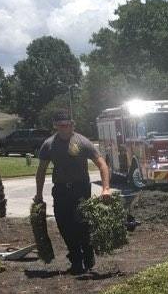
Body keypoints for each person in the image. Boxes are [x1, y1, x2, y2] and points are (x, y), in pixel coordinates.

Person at [35, 111, 111, 275]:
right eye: (60, 125)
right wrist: (39, 195)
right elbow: (41, 171)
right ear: (55, 126)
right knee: (64, 226)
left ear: (72, 125)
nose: (64, 128)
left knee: (82, 224)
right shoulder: (49, 145)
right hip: (61, 190)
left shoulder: (82, 142)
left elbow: (102, 165)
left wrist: (105, 188)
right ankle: (76, 260)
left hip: (80, 189)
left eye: (67, 125)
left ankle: (88, 255)